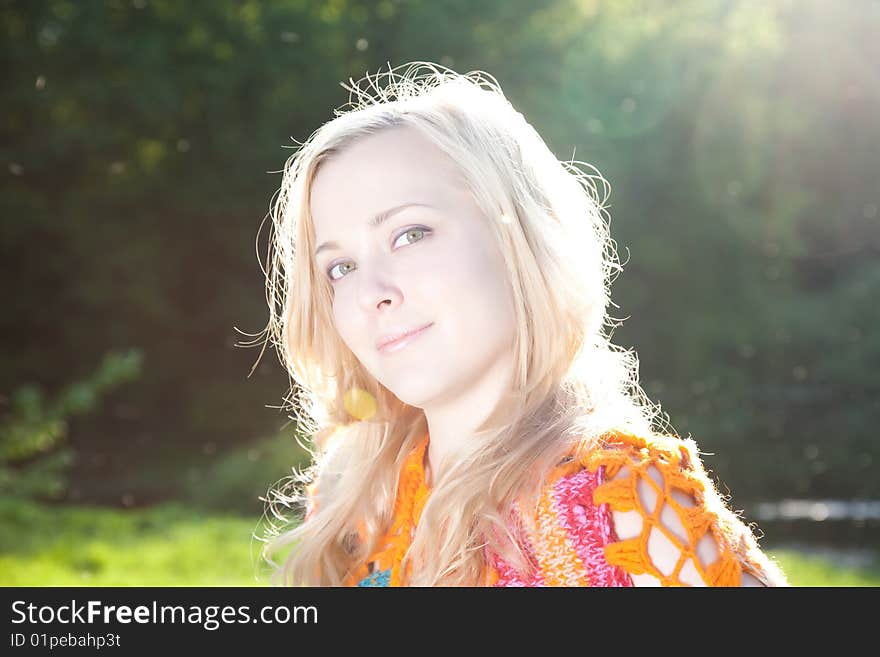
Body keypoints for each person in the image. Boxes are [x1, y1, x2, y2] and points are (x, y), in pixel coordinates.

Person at [256, 61, 789, 587]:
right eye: (341, 268)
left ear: (517, 234)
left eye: (410, 234)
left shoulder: (616, 502)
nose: (371, 293)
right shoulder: (355, 501)